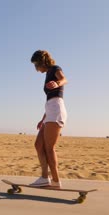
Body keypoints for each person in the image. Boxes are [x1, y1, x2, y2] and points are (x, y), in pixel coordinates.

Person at [29, 50, 68, 188]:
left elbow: (64, 79)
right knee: (38, 145)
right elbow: (50, 100)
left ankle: (56, 181)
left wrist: (58, 83)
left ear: (41, 62)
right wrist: (42, 119)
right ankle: (44, 177)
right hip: (50, 111)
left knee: (49, 147)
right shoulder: (47, 74)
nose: (36, 68)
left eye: (36, 65)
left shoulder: (55, 69)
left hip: (56, 110)